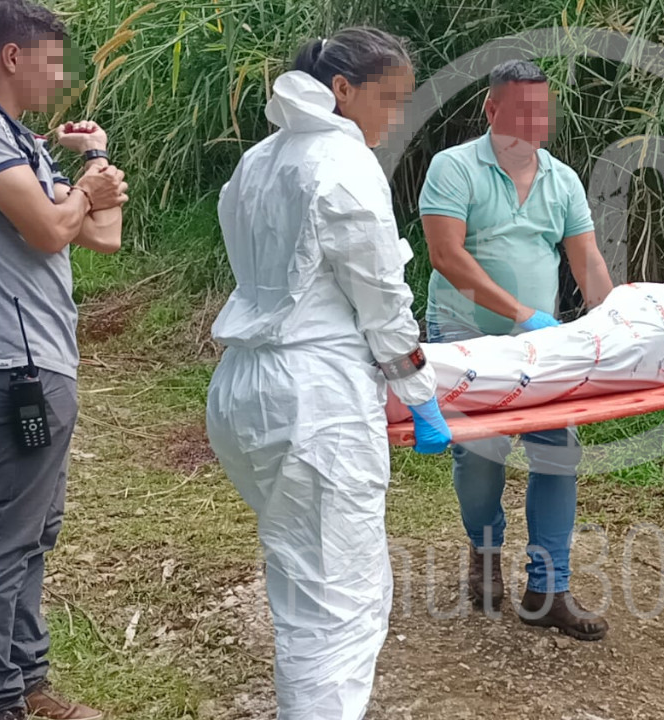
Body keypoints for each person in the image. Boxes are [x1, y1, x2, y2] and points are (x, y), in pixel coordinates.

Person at [204, 28, 451, 720]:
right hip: (314, 402)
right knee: (336, 608)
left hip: (247, 387)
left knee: (305, 578)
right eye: (389, 99)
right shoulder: (340, 163)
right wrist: (420, 395)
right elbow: (381, 296)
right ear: (343, 90)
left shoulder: (259, 159)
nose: (394, 117)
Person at [0, 1, 128, 718]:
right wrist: (85, 192)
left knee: (32, 530)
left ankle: (26, 682)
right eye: (52, 60)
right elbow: (52, 230)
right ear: (12, 56)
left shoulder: (17, 141)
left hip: (37, 358)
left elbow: (103, 238)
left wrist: (94, 161)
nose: (60, 78)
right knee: (1, 538)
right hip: (7, 363)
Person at [420, 59, 615, 641]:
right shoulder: (454, 169)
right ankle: (484, 556)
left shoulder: (562, 180)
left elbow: (587, 261)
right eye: (520, 110)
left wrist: (615, 327)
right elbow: (446, 256)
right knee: (481, 459)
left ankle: (546, 589)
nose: (533, 122)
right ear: (492, 110)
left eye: (541, 110)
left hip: (540, 348)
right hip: (464, 338)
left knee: (558, 452)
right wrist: (519, 314)